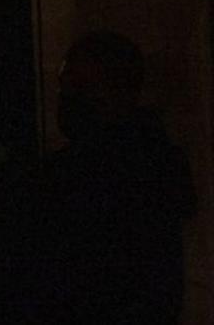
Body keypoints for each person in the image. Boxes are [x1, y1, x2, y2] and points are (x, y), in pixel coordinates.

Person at [12, 31, 195, 324]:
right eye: (65, 86)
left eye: (82, 87)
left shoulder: (137, 171)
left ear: (120, 92)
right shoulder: (155, 160)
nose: (68, 97)